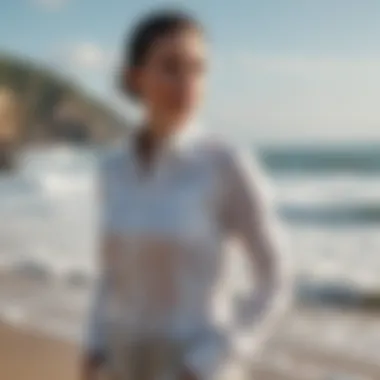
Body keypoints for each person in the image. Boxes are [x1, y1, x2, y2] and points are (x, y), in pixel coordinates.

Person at [82, 9, 292, 380]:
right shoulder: (112, 168)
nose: (187, 82)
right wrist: (93, 344)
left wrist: (209, 360)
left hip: (194, 368)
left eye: (197, 69)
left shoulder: (225, 163)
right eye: (171, 67)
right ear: (136, 77)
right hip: (121, 364)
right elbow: (111, 273)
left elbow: (275, 279)